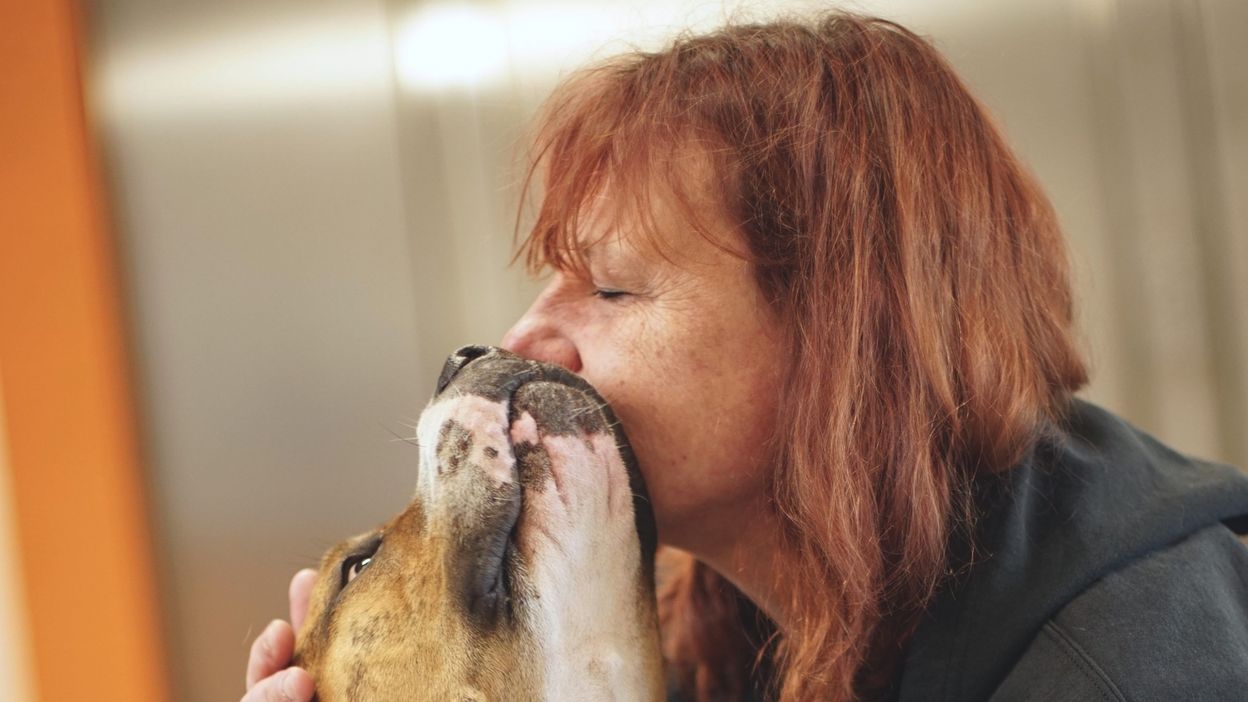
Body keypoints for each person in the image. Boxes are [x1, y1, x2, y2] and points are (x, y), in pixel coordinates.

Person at [242, 11, 1248, 702]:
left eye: (613, 287)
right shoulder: (728, 627)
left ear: (844, 337)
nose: (524, 342)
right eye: (551, 276)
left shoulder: (1138, 666)